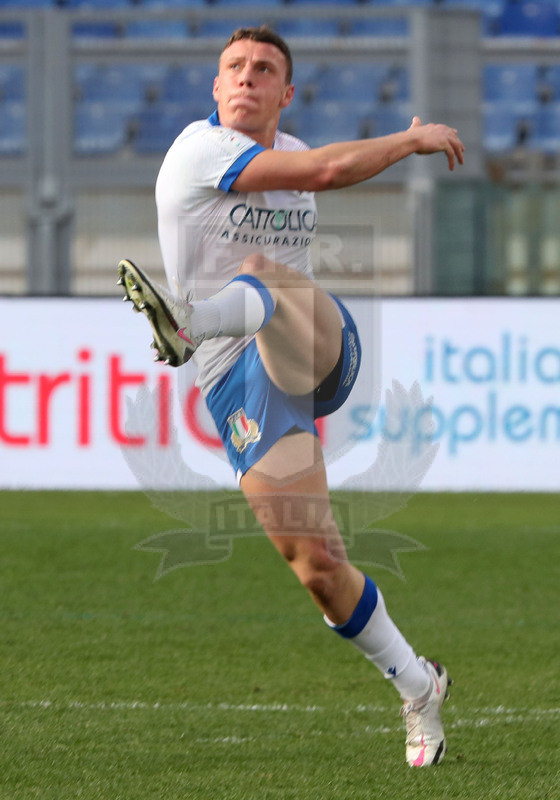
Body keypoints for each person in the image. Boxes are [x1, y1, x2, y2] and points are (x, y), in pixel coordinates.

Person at [118, 25, 464, 767]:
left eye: (263, 68)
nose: (246, 77)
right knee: (316, 564)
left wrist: (408, 142)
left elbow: (332, 169)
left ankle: (188, 322)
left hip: (314, 343)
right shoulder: (198, 151)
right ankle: (417, 686)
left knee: (266, 273)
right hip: (235, 377)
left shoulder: (298, 161)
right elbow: (327, 168)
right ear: (215, 88)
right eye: (233, 67)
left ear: (286, 92)